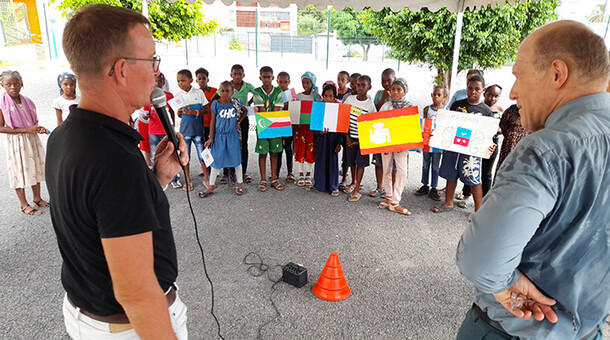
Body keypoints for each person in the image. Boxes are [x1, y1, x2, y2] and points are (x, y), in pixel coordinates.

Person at [456, 20, 610, 340]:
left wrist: (504, 286)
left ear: (557, 73)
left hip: (513, 329)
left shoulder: (547, 147)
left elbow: (482, 260)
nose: (513, 92)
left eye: (518, 76)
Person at [46, 4, 189, 339]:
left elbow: (104, 218)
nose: (156, 72)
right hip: (128, 328)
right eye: (152, 59)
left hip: (88, 313)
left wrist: (158, 179)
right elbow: (136, 294)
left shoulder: (65, 135)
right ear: (122, 69)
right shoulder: (115, 161)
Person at [433, 75, 494, 213]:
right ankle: (448, 202)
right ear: (466, 88)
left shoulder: (486, 111)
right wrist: (439, 137)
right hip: (454, 148)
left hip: (472, 150)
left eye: (477, 89)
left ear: (483, 90)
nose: (473, 91)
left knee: (473, 177)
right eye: (470, 88)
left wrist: (489, 145)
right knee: (451, 174)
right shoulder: (457, 105)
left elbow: (489, 133)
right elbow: (447, 125)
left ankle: (479, 210)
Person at [0, 70, 49, 216]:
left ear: (22, 84)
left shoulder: (27, 102)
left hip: (31, 139)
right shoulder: (2, 105)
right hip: (16, 143)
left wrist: (37, 129)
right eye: (8, 84)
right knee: (18, 171)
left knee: (35, 166)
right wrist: (27, 130)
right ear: (2, 85)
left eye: (16, 84)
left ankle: (37, 199)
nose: (13, 87)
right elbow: (1, 128)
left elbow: (31, 123)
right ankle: (23, 204)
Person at [200, 81, 247, 197]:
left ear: (232, 92)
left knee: (236, 161)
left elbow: (245, 111)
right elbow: (212, 121)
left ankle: (240, 185)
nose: (225, 93)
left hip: (232, 136)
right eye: (222, 91)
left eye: (227, 91)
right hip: (219, 137)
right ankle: (211, 186)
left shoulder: (236, 103)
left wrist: (238, 122)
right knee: (215, 162)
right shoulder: (216, 104)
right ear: (219, 91)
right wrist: (210, 138)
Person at [378, 78, 412, 215]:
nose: (395, 92)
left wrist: (402, 143)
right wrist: (383, 145)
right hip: (387, 144)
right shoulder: (386, 106)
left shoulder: (409, 107)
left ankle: (395, 201)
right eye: (393, 89)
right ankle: (388, 197)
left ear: (404, 92)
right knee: (387, 169)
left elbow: (411, 128)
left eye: (399, 89)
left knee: (402, 171)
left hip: (402, 145)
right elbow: (379, 125)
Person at [343, 75, 376, 202]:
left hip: (363, 140)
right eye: (358, 85)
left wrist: (360, 141)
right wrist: (347, 138)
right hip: (350, 137)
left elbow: (371, 126)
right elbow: (343, 118)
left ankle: (357, 189)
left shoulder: (370, 105)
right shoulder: (350, 99)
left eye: (363, 85)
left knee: (360, 163)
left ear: (369, 87)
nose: (360, 88)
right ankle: (353, 182)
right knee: (351, 162)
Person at [175, 68, 209, 191]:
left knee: (202, 156)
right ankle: (188, 180)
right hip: (185, 132)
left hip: (198, 131)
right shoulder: (178, 95)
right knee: (186, 157)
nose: (180, 84)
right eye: (178, 81)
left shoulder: (199, 93)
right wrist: (180, 111)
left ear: (191, 80)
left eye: (183, 81)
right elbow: (178, 114)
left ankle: (207, 178)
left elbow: (206, 109)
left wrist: (195, 112)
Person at [252, 66, 284, 192]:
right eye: (264, 77)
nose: (266, 80)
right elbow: (262, 111)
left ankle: (274, 178)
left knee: (274, 153)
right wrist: (268, 130)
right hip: (262, 126)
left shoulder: (279, 92)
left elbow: (276, 111)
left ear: (273, 78)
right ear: (260, 78)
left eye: (269, 77)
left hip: (275, 126)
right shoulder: (257, 92)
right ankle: (263, 179)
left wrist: (273, 131)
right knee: (263, 153)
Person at [414, 85, 447, 202]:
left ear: (444, 96)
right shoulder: (427, 109)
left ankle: (434, 187)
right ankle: (425, 185)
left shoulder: (446, 110)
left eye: (439, 95)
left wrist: (443, 145)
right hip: (427, 142)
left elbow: (446, 128)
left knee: (435, 166)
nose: (436, 97)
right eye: (434, 94)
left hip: (437, 143)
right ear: (431, 95)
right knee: (425, 164)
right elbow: (423, 126)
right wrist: (419, 144)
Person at [311, 83, 342, 196]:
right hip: (322, 140)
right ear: (322, 96)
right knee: (320, 161)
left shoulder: (338, 108)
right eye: (326, 96)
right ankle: (319, 184)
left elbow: (341, 128)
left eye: (331, 96)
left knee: (332, 162)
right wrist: (320, 132)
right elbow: (314, 125)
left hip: (333, 140)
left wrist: (339, 143)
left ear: (335, 97)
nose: (328, 99)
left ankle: (333, 186)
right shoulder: (318, 107)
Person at [294, 71, 320, 187]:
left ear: (313, 83)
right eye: (303, 82)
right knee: (300, 149)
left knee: (310, 149)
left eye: (308, 83)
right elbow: (294, 111)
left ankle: (308, 174)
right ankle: (300, 174)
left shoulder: (316, 97)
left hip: (311, 128)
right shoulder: (298, 96)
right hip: (300, 128)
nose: (305, 85)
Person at [145, 72, 175, 167]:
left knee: (169, 152)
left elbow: (172, 111)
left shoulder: (169, 96)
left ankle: (173, 176)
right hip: (153, 131)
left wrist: (173, 124)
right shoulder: (149, 96)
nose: (158, 83)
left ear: (163, 83)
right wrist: (146, 116)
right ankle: (156, 175)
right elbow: (146, 112)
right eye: (156, 81)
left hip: (165, 130)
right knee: (154, 154)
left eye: (160, 81)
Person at [480, 84, 503, 196]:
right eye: (490, 95)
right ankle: (466, 193)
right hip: (477, 141)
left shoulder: (500, 110)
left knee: (487, 172)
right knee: (471, 168)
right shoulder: (478, 107)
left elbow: (503, 128)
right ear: (484, 93)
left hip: (492, 143)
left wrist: (495, 129)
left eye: (496, 96)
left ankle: (485, 198)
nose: (493, 99)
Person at [494, 104, 528, 179]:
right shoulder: (512, 110)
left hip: (524, 147)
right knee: (503, 169)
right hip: (509, 145)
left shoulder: (533, 112)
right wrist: (511, 135)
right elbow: (503, 124)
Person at [339, 72, 361, 189]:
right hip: (347, 133)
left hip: (360, 135)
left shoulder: (368, 100)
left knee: (359, 159)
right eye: (352, 83)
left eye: (357, 83)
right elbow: (343, 116)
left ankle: (356, 181)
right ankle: (344, 178)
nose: (355, 86)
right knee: (346, 157)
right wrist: (346, 135)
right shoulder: (347, 98)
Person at [276, 71, 295, 183]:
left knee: (288, 149)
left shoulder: (292, 95)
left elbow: (296, 110)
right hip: (277, 125)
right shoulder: (275, 93)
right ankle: (276, 172)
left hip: (288, 125)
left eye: (285, 82)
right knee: (277, 149)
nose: (283, 84)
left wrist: (289, 106)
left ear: (289, 82)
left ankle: (290, 172)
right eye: (280, 82)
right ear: (277, 81)